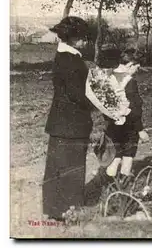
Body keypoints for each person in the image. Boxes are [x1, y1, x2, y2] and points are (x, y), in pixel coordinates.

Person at [43, 16, 93, 221]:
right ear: (73, 38)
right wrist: (98, 103)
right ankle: (68, 210)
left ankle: (54, 209)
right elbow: (76, 94)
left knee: (57, 166)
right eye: (83, 38)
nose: (86, 41)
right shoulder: (72, 60)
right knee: (71, 166)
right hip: (72, 122)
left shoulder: (63, 56)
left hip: (60, 122)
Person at [104, 48, 149, 179]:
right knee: (128, 154)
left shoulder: (108, 76)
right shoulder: (129, 82)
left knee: (116, 155)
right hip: (129, 125)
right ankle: (123, 187)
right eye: (136, 68)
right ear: (130, 65)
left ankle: (109, 184)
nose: (136, 71)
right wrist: (140, 129)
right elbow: (134, 108)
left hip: (112, 124)